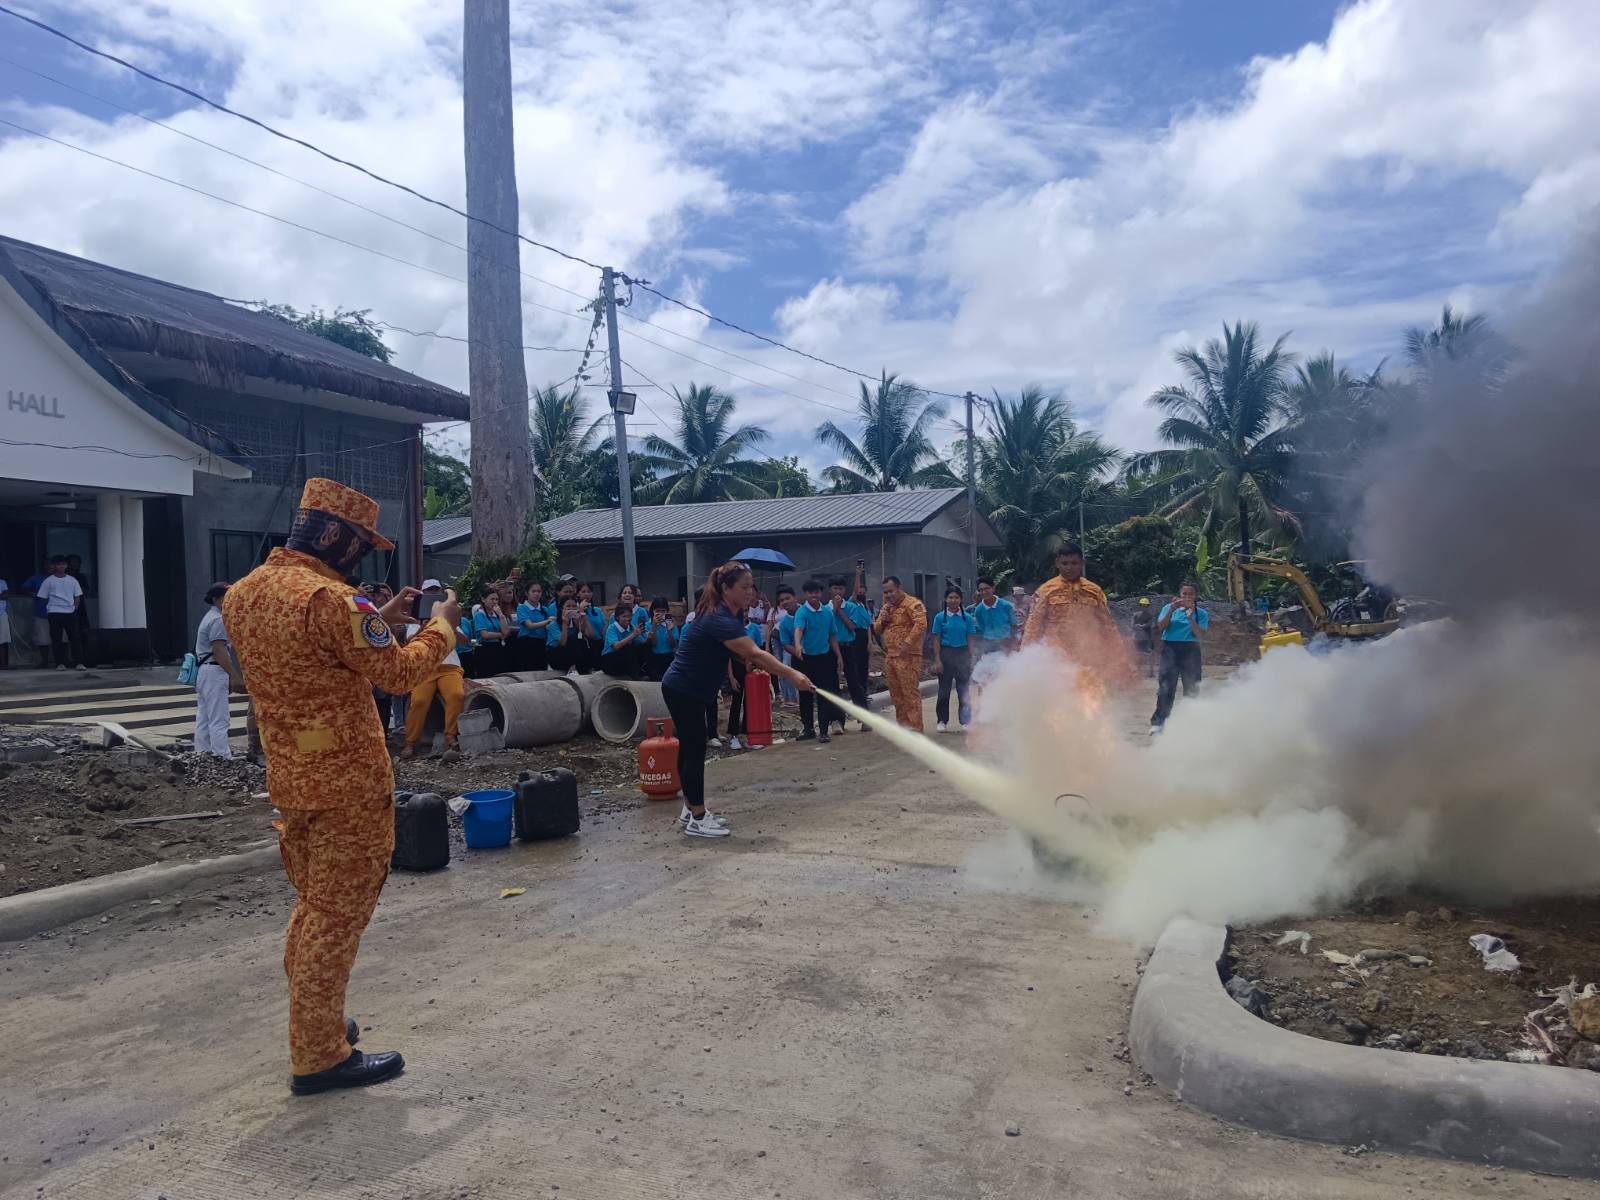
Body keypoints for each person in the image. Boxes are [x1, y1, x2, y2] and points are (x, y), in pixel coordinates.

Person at [223, 477, 459, 1096]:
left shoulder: (245, 594)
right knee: (336, 917)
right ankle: (320, 1054)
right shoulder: (332, 600)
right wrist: (442, 627)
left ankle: (317, 1020)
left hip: (293, 777)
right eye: (359, 546)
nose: (362, 560)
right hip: (348, 783)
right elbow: (402, 672)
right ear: (332, 535)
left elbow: (313, 655)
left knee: (311, 910)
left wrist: (379, 620)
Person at [662, 561, 813, 838]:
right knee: (694, 751)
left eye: (751, 587)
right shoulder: (718, 617)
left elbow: (735, 651)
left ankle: (689, 809)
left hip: (688, 687)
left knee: (690, 748)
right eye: (743, 587)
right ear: (725, 588)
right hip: (684, 689)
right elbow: (755, 653)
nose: (750, 592)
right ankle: (697, 817)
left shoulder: (727, 614)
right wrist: (793, 675)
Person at [1021, 544, 1133, 702]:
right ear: (1057, 563)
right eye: (1065, 563)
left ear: (1082, 563)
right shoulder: (1046, 591)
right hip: (1055, 660)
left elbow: (1108, 627)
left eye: (1074, 563)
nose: (1069, 568)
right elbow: (1033, 627)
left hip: (1088, 659)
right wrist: (1026, 659)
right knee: (1058, 705)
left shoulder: (1094, 591)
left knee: (1088, 703)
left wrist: (1120, 660)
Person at [402, 611, 470, 761]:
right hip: (425, 668)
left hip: (450, 667)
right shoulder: (416, 621)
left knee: (456, 695)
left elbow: (465, 641)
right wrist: (423, 627)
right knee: (419, 701)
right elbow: (409, 642)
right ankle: (410, 742)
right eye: (429, 591)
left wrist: (452, 627)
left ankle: (450, 737)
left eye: (434, 591)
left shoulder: (448, 619)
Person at [193, 582, 245, 757]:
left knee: (204, 716)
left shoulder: (210, 617)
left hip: (205, 671)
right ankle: (222, 756)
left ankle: (202, 753)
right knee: (219, 718)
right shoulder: (218, 620)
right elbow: (219, 650)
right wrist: (233, 675)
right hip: (214, 671)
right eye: (226, 597)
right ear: (216, 599)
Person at [792, 579, 845, 743]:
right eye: (810, 593)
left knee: (824, 695)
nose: (813, 596)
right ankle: (808, 729)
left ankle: (823, 731)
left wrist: (839, 656)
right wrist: (798, 645)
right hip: (805, 659)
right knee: (806, 694)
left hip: (824, 658)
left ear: (821, 593)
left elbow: (832, 635)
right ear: (805, 594)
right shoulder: (802, 612)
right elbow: (799, 629)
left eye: (816, 592)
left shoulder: (828, 612)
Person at [1150, 582, 1208, 731]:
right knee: (1166, 686)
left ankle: (1190, 722)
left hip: (1191, 649)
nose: (1187, 597)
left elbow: (1200, 634)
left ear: (1196, 596)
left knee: (1192, 686)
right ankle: (1159, 722)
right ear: (1179, 595)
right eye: (1184, 594)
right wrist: (1171, 609)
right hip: (1170, 648)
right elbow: (1161, 627)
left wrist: (1190, 618)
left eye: (1190, 594)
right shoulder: (1168, 608)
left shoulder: (1201, 613)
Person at [873, 576, 928, 731]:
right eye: (885, 592)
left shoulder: (913, 604)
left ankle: (916, 728)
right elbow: (876, 629)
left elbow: (921, 624)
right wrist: (883, 621)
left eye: (891, 591)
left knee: (910, 693)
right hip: (890, 656)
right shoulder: (886, 607)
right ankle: (903, 728)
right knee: (896, 695)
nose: (888, 595)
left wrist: (907, 643)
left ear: (899, 587)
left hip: (908, 656)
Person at [931, 587, 978, 733]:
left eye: (956, 597)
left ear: (961, 600)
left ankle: (965, 720)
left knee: (963, 689)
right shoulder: (940, 618)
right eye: (950, 597)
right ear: (946, 600)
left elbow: (970, 639)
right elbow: (936, 639)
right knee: (944, 690)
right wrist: (938, 659)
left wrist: (972, 658)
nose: (953, 600)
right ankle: (942, 720)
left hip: (963, 654)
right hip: (946, 653)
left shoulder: (967, 618)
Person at [829, 576, 870, 728]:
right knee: (833, 684)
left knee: (854, 682)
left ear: (844, 590)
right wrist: (834, 609)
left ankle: (865, 718)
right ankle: (837, 720)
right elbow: (825, 625)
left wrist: (840, 610)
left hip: (848, 647)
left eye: (840, 589)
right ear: (830, 590)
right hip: (831, 649)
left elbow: (852, 626)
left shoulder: (851, 607)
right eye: (835, 588)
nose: (838, 591)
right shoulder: (825, 608)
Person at [37, 556, 85, 671]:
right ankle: (60, 663)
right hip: (54, 613)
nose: (61, 566)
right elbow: (42, 597)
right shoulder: (48, 581)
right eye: (58, 564)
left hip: (70, 612)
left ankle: (79, 662)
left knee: (75, 638)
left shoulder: (72, 580)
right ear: (54, 566)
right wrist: (50, 608)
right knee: (56, 639)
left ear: (66, 565)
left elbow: (77, 596)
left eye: (63, 564)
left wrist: (75, 608)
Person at [970, 577, 1019, 662]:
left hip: (1006, 643)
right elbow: (982, 627)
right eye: (980, 590)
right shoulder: (979, 610)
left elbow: (1014, 625)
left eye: (986, 588)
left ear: (993, 588)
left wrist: (1012, 644)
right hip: (988, 646)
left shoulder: (1007, 606)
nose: (984, 592)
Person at [769, 585, 800, 707]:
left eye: (787, 598)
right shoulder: (782, 620)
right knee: (782, 668)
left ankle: (792, 698)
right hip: (781, 641)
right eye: (781, 600)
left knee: (787, 667)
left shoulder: (804, 612)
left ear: (795, 597)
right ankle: (788, 698)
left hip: (802, 647)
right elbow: (771, 629)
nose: (785, 602)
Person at [471, 587, 511, 677]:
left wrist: (501, 615)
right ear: (483, 599)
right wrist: (501, 635)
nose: (495, 602)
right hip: (485, 650)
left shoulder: (497, 614)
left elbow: (506, 631)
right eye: (492, 599)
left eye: (496, 599)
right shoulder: (479, 614)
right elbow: (484, 634)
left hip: (498, 649)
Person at [601, 599, 646, 677]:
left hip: (624, 661)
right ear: (618, 617)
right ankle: (636, 675)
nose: (627, 619)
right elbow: (616, 646)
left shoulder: (632, 627)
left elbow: (641, 643)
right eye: (624, 616)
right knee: (627, 648)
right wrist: (632, 636)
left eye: (629, 616)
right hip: (609, 660)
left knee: (643, 648)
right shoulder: (612, 628)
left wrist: (649, 636)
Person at [548, 597, 594, 675]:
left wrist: (584, 619)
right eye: (568, 606)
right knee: (572, 639)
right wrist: (565, 623)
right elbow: (562, 643)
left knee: (583, 642)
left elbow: (591, 636)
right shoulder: (554, 624)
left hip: (575, 656)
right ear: (562, 609)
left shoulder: (577, 621)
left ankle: (585, 670)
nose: (571, 609)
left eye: (574, 606)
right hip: (557, 655)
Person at [513, 581, 551, 671]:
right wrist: (548, 621)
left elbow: (548, 628)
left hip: (541, 643)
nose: (536, 594)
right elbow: (529, 625)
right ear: (527, 593)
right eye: (533, 591)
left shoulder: (544, 609)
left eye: (539, 591)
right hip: (527, 643)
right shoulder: (522, 607)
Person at [643, 598, 678, 681]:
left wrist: (669, 630)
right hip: (654, 657)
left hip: (668, 656)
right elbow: (653, 643)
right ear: (653, 611)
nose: (660, 614)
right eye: (658, 611)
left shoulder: (672, 624)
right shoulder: (647, 625)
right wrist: (654, 625)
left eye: (663, 611)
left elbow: (674, 645)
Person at [577, 583, 606, 674]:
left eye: (589, 591)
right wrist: (582, 611)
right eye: (583, 591)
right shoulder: (576, 611)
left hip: (600, 644)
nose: (586, 594)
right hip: (586, 645)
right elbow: (581, 630)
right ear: (578, 594)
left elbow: (603, 629)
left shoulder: (598, 610)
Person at [1131, 596, 1156, 677]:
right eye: (1142, 605)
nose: (1144, 607)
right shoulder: (1135, 615)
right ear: (1140, 605)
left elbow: (1150, 624)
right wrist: (1138, 626)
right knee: (1137, 654)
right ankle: (1138, 671)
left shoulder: (1150, 616)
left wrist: (1142, 626)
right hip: (1138, 638)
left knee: (1150, 655)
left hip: (1147, 639)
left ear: (1147, 606)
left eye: (1145, 605)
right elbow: (1132, 624)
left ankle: (1151, 672)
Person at [0, 574, 10, 669]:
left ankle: (3, 664)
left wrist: (2, 595)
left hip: (1, 612)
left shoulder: (2, 582)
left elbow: (6, 594)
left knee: (2, 640)